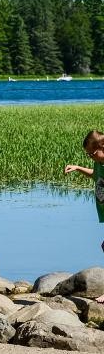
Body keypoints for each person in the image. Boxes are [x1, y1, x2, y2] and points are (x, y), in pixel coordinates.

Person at [64, 129, 104, 304]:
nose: (91, 157)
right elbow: (95, 176)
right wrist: (78, 168)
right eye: (88, 155)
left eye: (92, 154)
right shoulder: (99, 164)